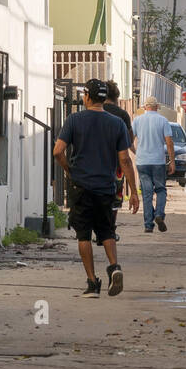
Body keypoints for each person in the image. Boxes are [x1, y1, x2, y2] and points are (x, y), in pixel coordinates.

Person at [54, 78, 139, 298]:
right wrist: (133, 192)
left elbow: (58, 151)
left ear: (87, 97)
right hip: (106, 187)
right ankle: (114, 267)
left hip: (80, 186)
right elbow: (125, 161)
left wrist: (69, 170)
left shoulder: (74, 120)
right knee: (107, 231)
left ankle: (92, 284)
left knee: (83, 235)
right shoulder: (117, 123)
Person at [132, 96, 174, 233]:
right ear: (157, 107)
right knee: (161, 190)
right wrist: (172, 161)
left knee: (147, 193)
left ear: (145, 107)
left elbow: (128, 140)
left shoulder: (137, 120)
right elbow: (169, 142)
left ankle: (148, 225)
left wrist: (136, 151)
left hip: (142, 161)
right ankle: (159, 214)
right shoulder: (163, 120)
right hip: (158, 161)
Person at [103, 81, 136, 212]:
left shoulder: (91, 112)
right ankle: (110, 228)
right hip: (116, 164)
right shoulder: (122, 115)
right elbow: (129, 140)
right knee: (114, 199)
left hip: (94, 162)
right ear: (116, 97)